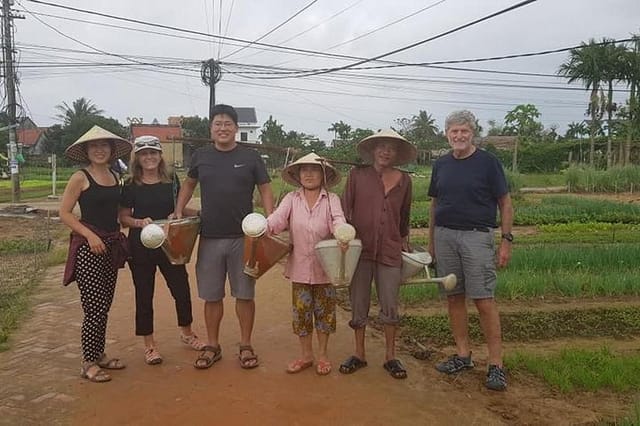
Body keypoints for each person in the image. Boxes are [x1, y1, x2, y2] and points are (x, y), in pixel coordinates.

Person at [174, 104, 274, 370]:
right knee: (211, 295)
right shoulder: (201, 156)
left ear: (236, 128)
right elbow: (188, 184)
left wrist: (271, 219)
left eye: (227, 124)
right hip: (209, 237)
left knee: (244, 294)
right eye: (217, 124)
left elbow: (265, 188)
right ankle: (212, 345)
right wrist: (177, 209)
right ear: (211, 129)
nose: (222, 128)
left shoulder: (250, 157)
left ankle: (245, 344)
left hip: (245, 239)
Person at [428, 110, 513, 391]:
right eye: (454, 131)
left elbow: (505, 202)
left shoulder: (488, 163)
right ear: (447, 134)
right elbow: (434, 204)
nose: (459, 136)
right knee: (453, 296)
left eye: (464, 130)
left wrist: (506, 240)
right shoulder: (441, 164)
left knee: (483, 299)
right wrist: (431, 242)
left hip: (477, 236)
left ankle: (496, 364)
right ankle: (463, 355)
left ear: (472, 133)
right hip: (445, 236)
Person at [119, 135, 206, 365]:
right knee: (144, 294)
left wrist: (196, 213)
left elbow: (179, 208)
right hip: (141, 245)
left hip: (170, 243)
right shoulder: (130, 184)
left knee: (181, 289)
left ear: (160, 155)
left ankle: (187, 332)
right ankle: (149, 345)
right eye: (144, 154)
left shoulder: (171, 180)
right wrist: (139, 223)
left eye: (153, 153)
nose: (149, 157)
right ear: (137, 158)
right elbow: (123, 217)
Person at [340, 129, 415, 379]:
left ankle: (390, 356)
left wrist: (404, 240)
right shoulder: (357, 175)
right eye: (381, 146)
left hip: (390, 250)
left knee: (390, 304)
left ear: (397, 154)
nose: (385, 151)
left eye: (391, 148)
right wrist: (343, 240)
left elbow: (404, 216)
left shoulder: (405, 180)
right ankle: (359, 354)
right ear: (373, 150)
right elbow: (344, 212)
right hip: (360, 250)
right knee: (358, 302)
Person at [60, 125, 132, 383]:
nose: (100, 150)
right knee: (94, 306)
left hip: (110, 247)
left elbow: (120, 214)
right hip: (88, 249)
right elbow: (65, 213)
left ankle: (99, 354)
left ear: (112, 151)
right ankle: (88, 362)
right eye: (94, 146)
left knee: (105, 304)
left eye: (104, 146)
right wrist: (90, 235)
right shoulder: (81, 177)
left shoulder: (115, 176)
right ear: (86, 151)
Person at [266, 153, 346, 375]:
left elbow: (338, 220)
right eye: (304, 170)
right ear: (298, 174)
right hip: (300, 267)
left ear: (324, 174)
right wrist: (262, 226)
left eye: (314, 169)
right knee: (301, 313)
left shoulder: (331, 200)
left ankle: (322, 355)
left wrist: (342, 233)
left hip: (325, 267)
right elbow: (278, 220)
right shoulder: (292, 199)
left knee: (324, 313)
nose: (309, 174)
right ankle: (305, 356)